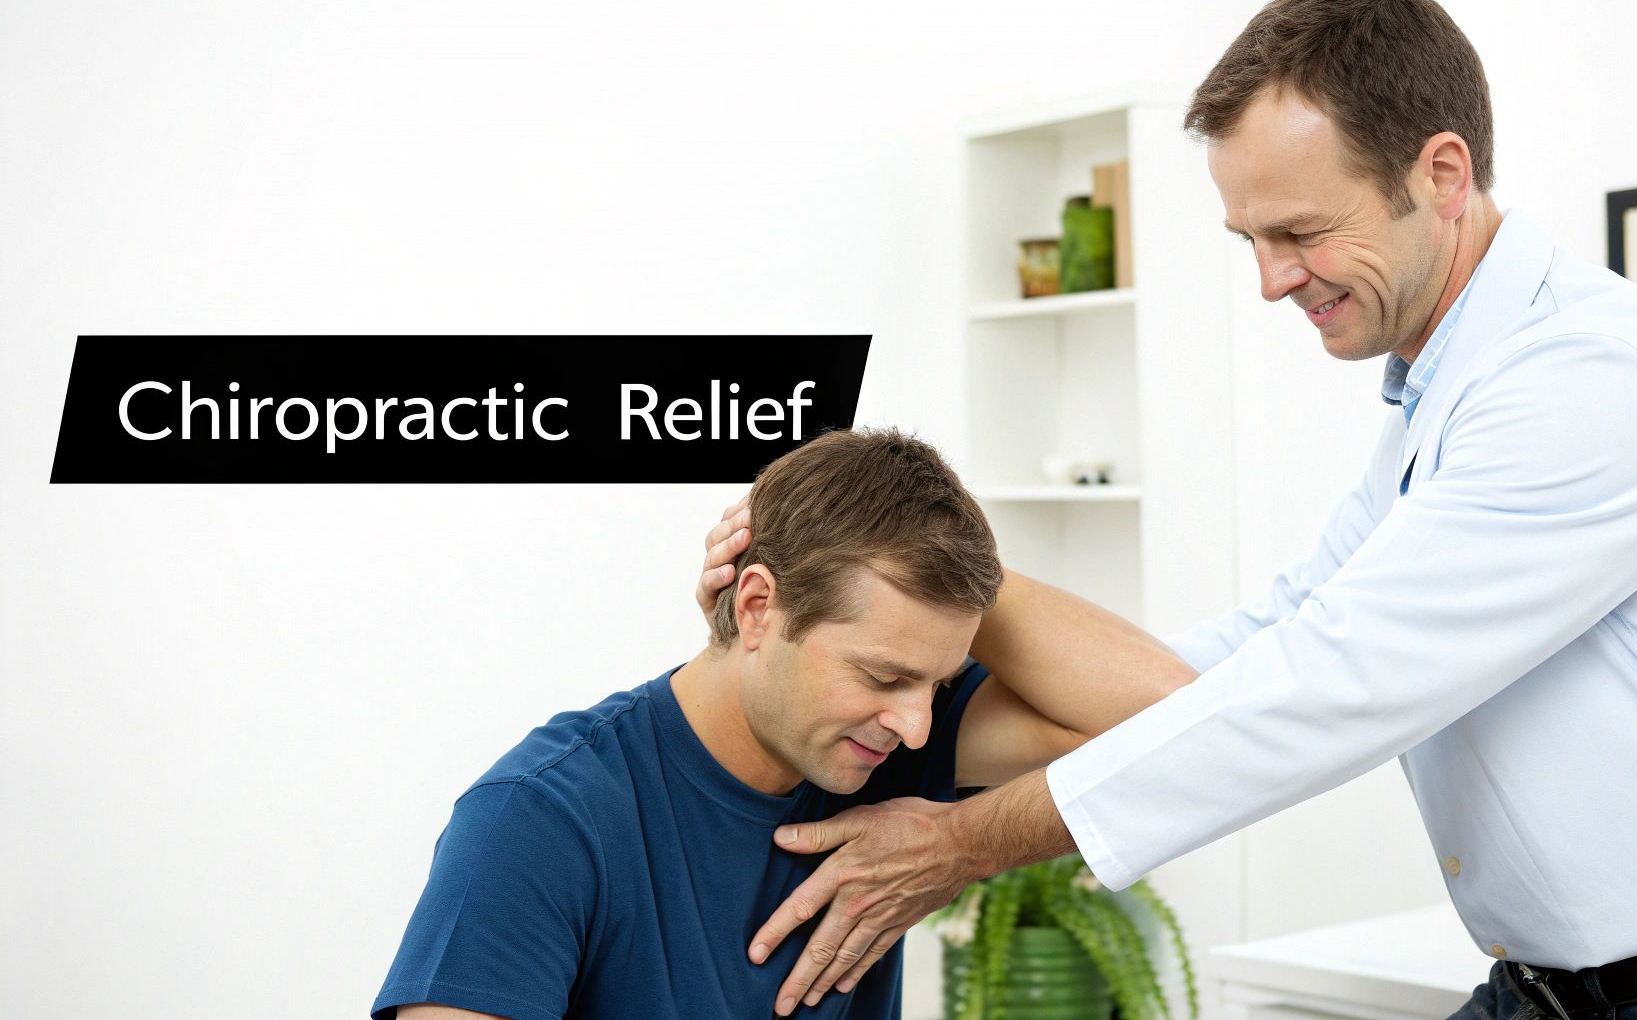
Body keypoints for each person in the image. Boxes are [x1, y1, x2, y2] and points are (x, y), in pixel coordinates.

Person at [700, 0, 1637, 1018]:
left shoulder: (1587, 384)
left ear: (1440, 172)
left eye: (1299, 232)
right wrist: (925, 605)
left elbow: (1326, 686)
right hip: (1547, 992)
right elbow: (1260, 650)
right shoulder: (1448, 402)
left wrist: (964, 842)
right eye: (1251, 241)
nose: (1272, 281)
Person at [370, 427, 1192, 1020]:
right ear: (759, 606)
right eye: (886, 675)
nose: (913, 726)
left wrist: (943, 558)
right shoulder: (541, 819)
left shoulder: (887, 752)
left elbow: (1182, 720)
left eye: (936, 685)